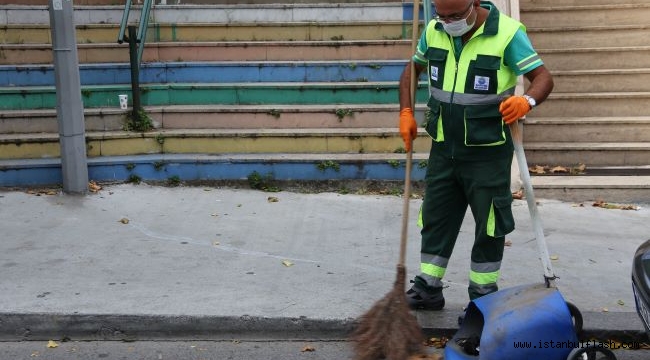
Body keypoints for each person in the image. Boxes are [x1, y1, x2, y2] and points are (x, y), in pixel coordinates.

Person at [398, 0, 553, 309]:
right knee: (435, 216)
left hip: (487, 153)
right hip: (444, 147)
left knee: (490, 224)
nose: (448, 22)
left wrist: (526, 101)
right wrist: (405, 112)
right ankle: (428, 286)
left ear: (473, 4)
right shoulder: (434, 30)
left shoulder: (507, 34)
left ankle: (483, 297)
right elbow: (410, 72)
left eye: (454, 15)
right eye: (441, 16)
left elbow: (544, 79)